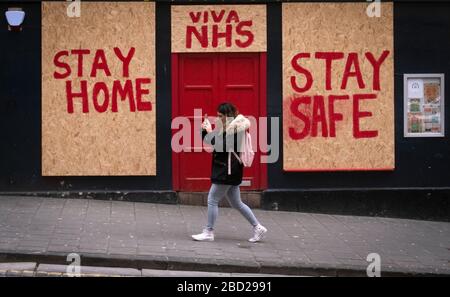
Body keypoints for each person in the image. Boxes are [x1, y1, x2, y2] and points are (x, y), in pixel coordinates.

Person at [191, 102, 267, 243]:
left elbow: (222, 147)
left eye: (220, 116)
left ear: (228, 116)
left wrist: (209, 131)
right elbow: (213, 142)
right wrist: (204, 130)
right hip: (229, 169)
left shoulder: (237, 129)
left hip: (227, 170)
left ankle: (208, 231)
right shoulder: (228, 127)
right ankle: (258, 227)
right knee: (237, 203)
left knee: (212, 199)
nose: (218, 118)